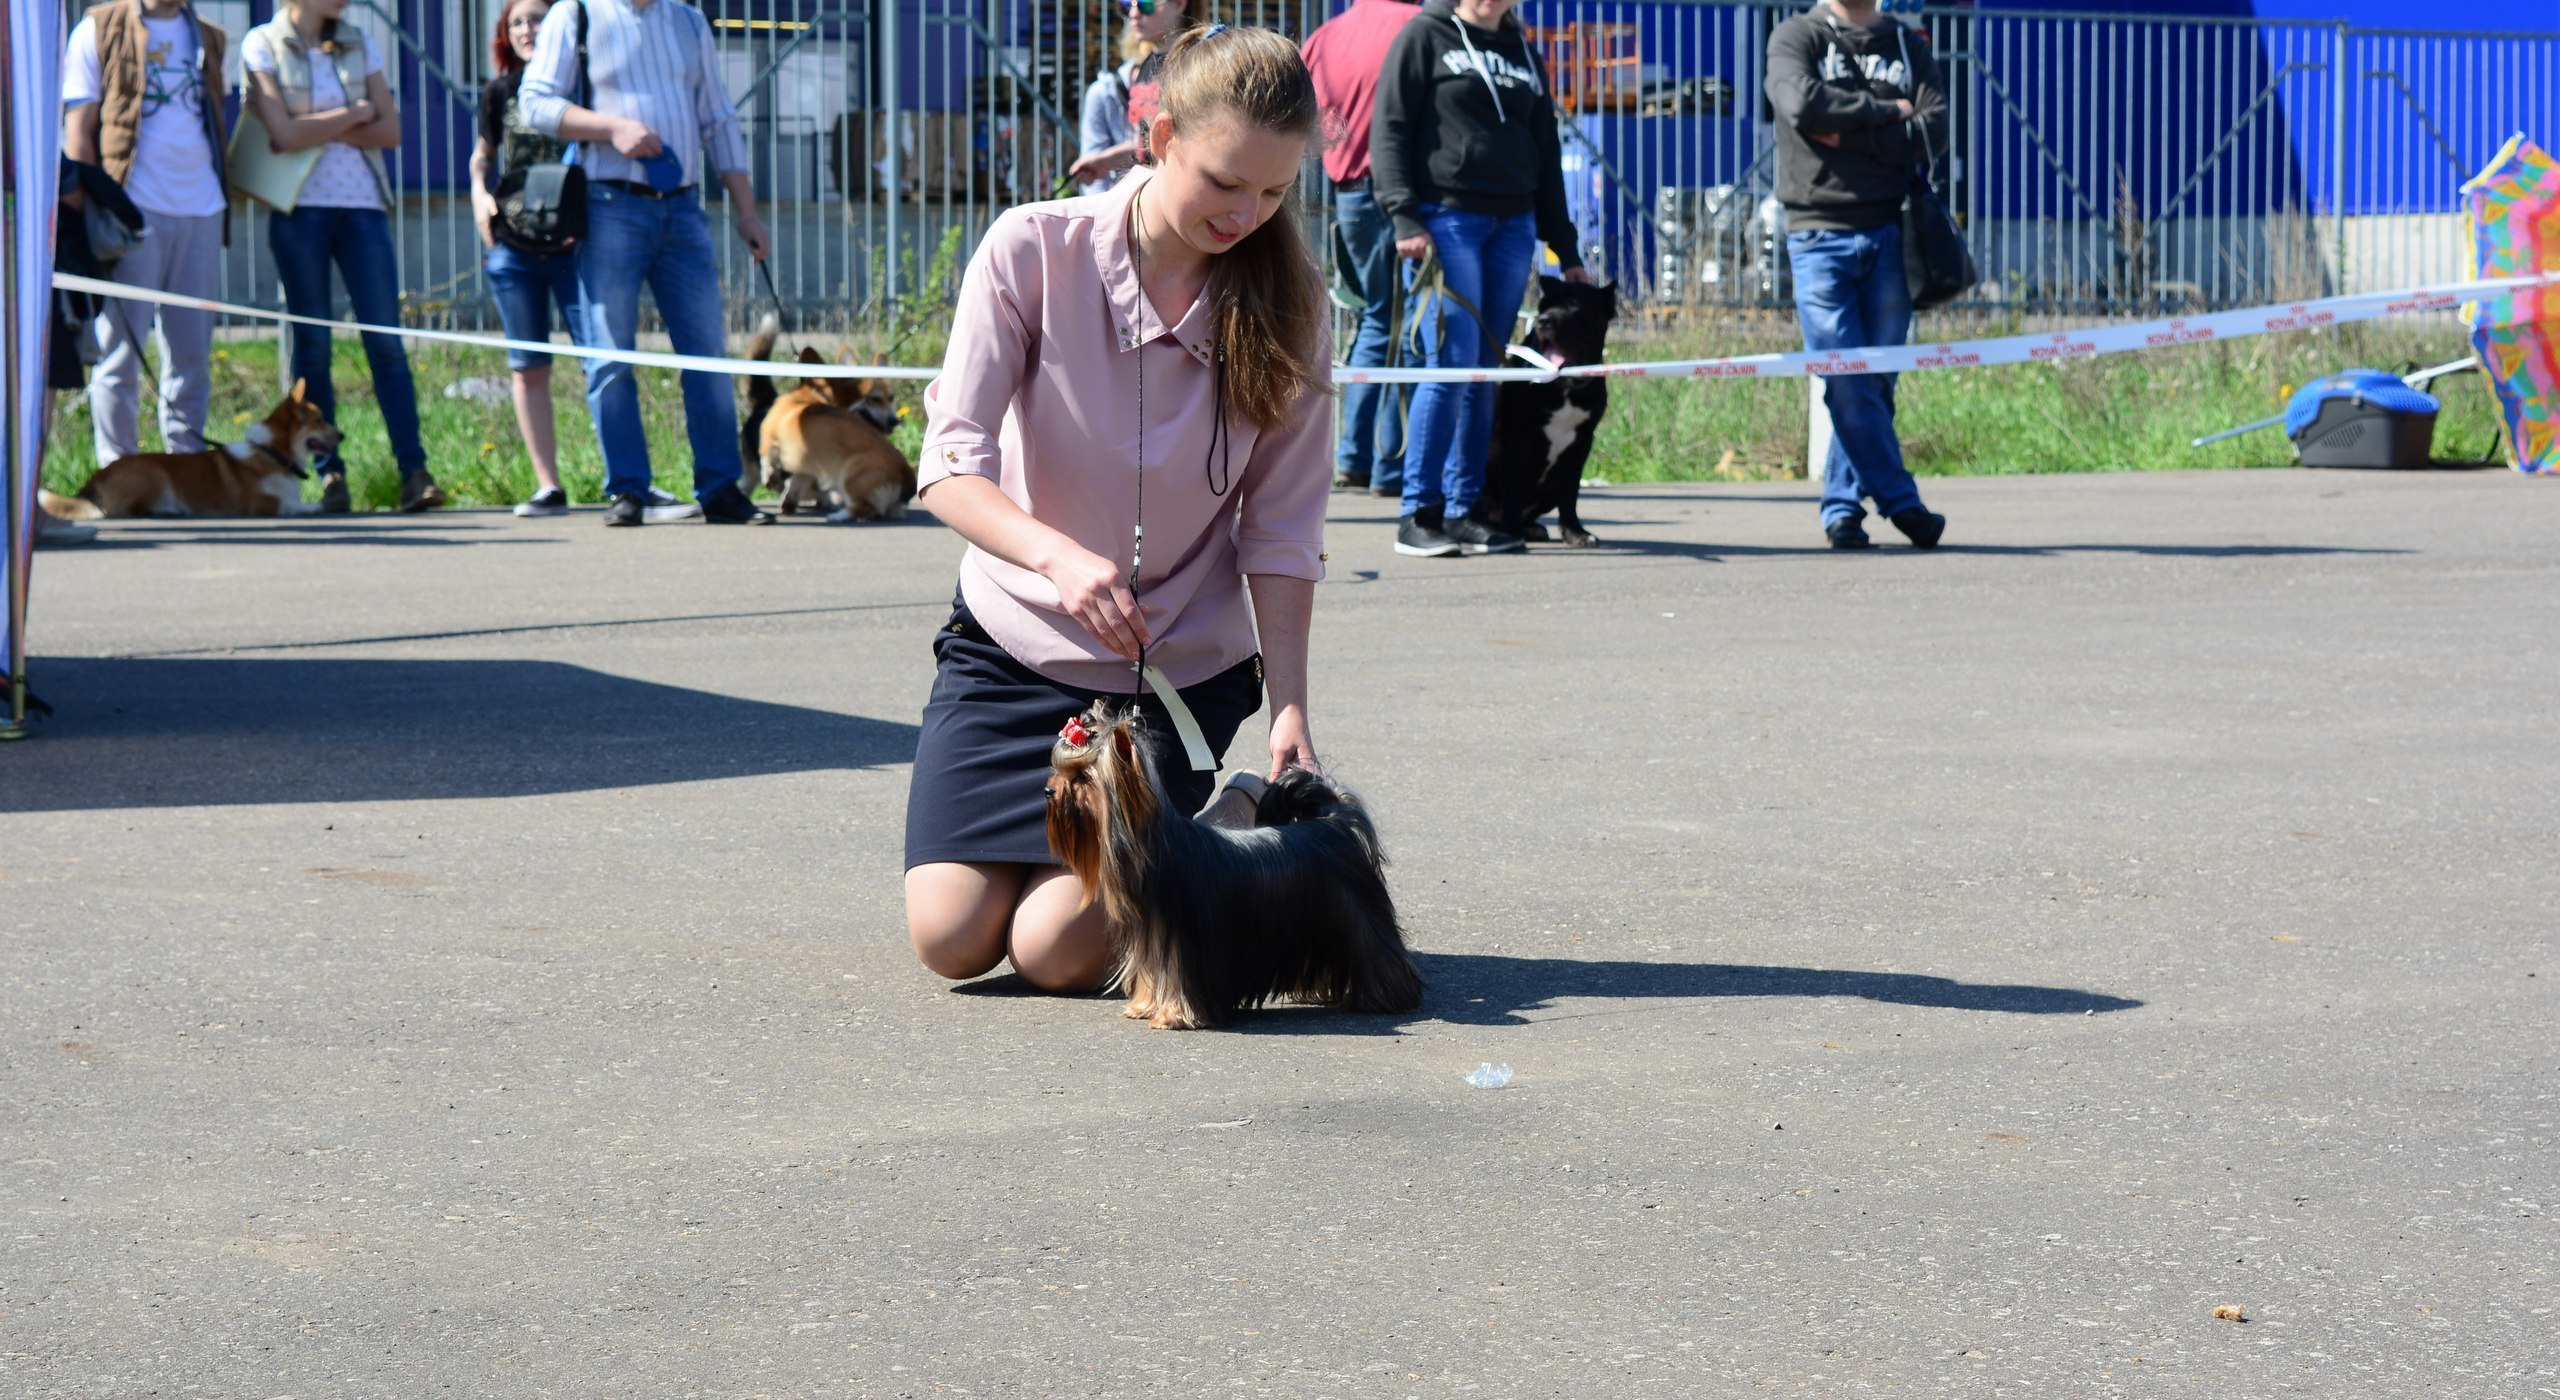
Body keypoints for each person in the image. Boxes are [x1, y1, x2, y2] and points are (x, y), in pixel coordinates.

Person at [903, 25, 1332, 994]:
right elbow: (948, 463)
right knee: (952, 937)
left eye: (1273, 191)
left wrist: (1290, 703)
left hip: (1170, 679)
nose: (1248, 213)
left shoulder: (1298, 302)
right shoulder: (1031, 248)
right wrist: (1054, 556)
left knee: (1055, 949)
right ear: (1159, 134)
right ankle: (1137, 858)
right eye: (1225, 181)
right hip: (1012, 648)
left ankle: (1226, 826)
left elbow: (1282, 529)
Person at [519, 0, 774, 527]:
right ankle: (628, 490)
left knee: (707, 354)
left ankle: (721, 488)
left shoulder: (687, 20)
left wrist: (747, 210)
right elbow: (535, 102)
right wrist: (610, 128)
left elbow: (718, 117)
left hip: (683, 207)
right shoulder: (577, 14)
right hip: (609, 203)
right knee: (610, 353)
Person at [1370, 0, 1589, 559]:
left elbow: (1545, 151)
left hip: (1514, 224)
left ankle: (1467, 510)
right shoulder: (1425, 35)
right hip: (1448, 220)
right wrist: (1403, 213)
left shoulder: (1523, 50)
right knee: (1450, 365)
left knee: (1488, 373)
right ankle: (1419, 512)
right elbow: (1390, 126)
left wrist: (1565, 246)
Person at [470, 0, 698, 521]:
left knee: (606, 358)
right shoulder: (500, 92)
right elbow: (482, 155)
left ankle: (631, 485)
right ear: (506, 34)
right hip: (516, 242)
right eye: (518, 22)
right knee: (527, 367)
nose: (529, 29)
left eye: (539, 19)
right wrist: (480, 197)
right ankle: (548, 486)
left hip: (577, 243)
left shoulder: (583, 83)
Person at [242, 0, 444, 514]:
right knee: (313, 350)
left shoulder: (360, 41)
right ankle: (332, 477)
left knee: (387, 345)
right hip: (299, 210)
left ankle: (414, 472)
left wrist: (316, 124)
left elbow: (391, 132)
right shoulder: (261, 43)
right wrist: (355, 114)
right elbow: (282, 136)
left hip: (363, 210)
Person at [1765, 0, 1948, 549]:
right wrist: (1891, 113)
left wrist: (1847, 132)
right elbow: (1801, 104)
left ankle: (1843, 507)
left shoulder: (1908, 45)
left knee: (1876, 381)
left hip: (1892, 230)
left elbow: (1935, 128)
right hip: (1818, 232)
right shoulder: (1796, 36)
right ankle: (1900, 501)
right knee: (1845, 375)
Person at [61, 0, 232, 478]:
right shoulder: (98, 27)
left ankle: (189, 472)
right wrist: (94, 209)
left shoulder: (211, 36)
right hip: (132, 210)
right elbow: (80, 130)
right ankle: (119, 474)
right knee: (120, 350)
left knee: (192, 354)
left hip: (201, 205)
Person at [1300, 0, 1420, 498]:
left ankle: (1355, 456)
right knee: (1412, 324)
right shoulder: (1417, 25)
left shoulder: (1326, 36)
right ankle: (1392, 465)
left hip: (1350, 192)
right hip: (1408, 193)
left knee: (1377, 318)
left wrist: (1339, 153)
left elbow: (1304, 117)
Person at [1068, 0, 1204, 189]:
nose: (1133, 14)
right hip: (1151, 193)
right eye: (1126, 5)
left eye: (1145, 5)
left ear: (1179, 4)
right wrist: (1106, 161)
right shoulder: (1146, 67)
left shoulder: (1194, 65)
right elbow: (1148, 142)